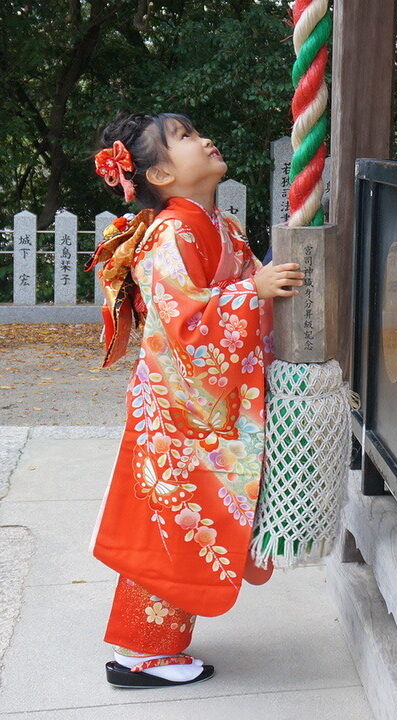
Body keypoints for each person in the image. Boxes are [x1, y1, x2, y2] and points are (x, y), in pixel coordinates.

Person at [87, 111, 305, 688]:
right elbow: (181, 322)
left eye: (196, 131)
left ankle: (149, 647)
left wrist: (260, 290)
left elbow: (253, 290)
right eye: (183, 137)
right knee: (169, 525)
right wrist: (250, 293)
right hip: (175, 407)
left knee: (183, 525)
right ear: (160, 173)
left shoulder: (223, 227)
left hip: (202, 406)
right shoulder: (170, 233)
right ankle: (140, 653)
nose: (204, 138)